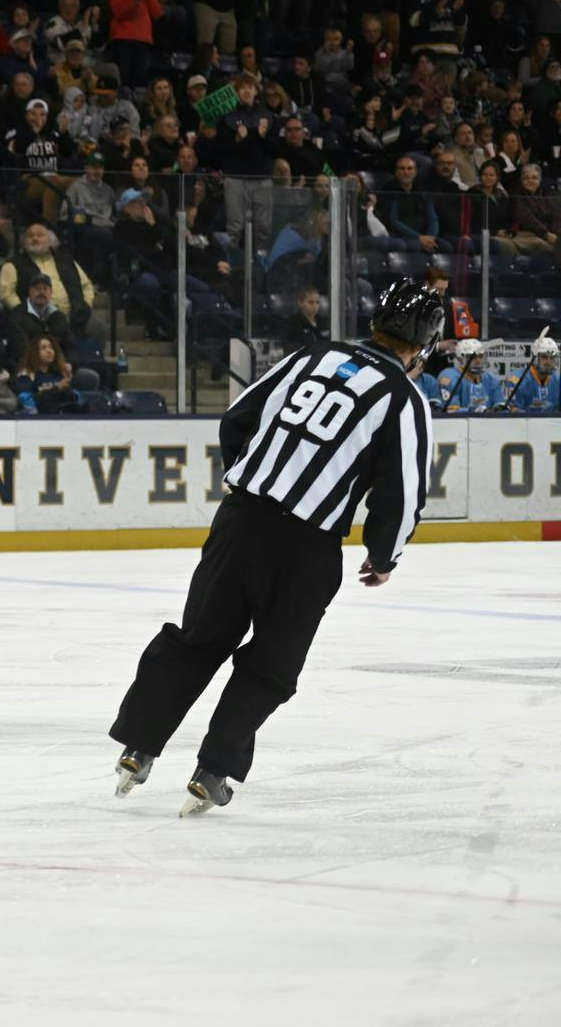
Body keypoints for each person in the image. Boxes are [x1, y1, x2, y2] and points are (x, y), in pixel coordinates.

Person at [109, 277, 442, 816]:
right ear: (422, 347)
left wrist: (249, 480)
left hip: (240, 522)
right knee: (271, 666)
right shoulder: (404, 399)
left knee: (197, 640)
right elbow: (402, 494)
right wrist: (384, 557)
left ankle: (140, 746)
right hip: (307, 549)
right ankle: (214, 769)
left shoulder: (311, 356)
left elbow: (237, 418)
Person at [506, 336, 560, 413]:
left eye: (552, 358)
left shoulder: (558, 380)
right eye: (544, 357)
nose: (549, 362)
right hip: (524, 424)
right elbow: (513, 411)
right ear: (534, 358)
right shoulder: (516, 379)